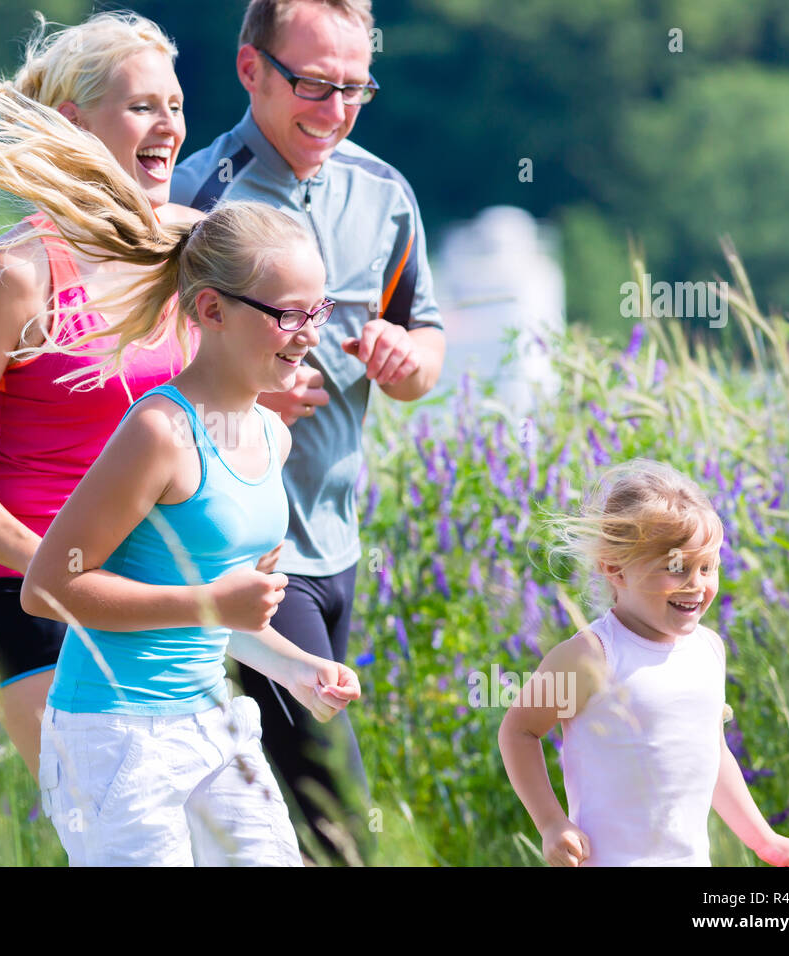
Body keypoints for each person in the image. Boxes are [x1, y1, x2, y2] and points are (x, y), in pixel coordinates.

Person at [0, 66, 364, 865]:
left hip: (210, 722)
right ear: (213, 312)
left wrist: (297, 669)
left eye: (318, 312)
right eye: (291, 316)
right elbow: (51, 585)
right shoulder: (156, 430)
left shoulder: (272, 439)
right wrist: (207, 604)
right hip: (115, 737)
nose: (310, 337)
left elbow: (233, 612)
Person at [170, 0, 447, 861]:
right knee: (335, 800)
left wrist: (409, 357)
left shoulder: (387, 194)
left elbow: (428, 336)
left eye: (355, 89)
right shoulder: (188, 196)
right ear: (251, 68)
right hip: (242, 550)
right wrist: (240, 399)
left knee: (258, 810)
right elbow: (135, 366)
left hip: (337, 544)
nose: (334, 112)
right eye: (313, 86)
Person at [0, 11, 204, 781]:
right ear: (74, 123)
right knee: (107, 809)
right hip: (22, 588)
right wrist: (54, 568)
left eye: (174, 104)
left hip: (161, 583)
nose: (167, 123)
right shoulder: (17, 273)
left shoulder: (204, 252)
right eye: (142, 106)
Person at [498, 459, 789, 867]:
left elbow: (712, 753)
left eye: (708, 567)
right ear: (615, 569)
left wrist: (764, 840)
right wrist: (551, 823)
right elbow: (519, 730)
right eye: (676, 568)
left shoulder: (709, 650)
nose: (697, 584)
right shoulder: (592, 655)